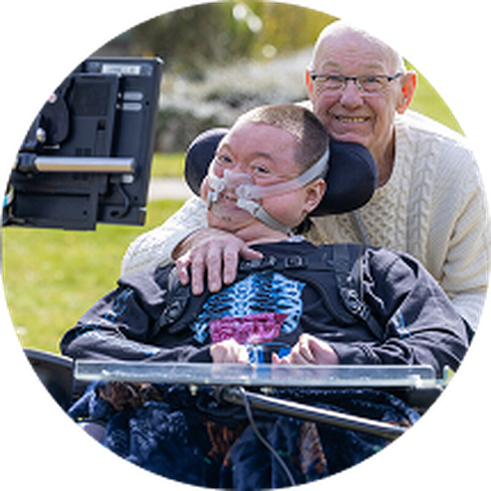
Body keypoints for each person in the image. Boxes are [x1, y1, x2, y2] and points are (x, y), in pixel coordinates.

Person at [61, 105, 468, 487]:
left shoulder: (371, 272)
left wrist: (344, 362)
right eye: (224, 160)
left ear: (311, 195)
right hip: (179, 435)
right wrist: (193, 365)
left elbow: (441, 341)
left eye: (260, 169)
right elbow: (86, 340)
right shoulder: (169, 280)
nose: (233, 180)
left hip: (334, 432)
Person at [121, 19, 490, 335]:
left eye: (371, 81)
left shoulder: (455, 167)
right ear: (311, 86)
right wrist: (196, 240)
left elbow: (475, 294)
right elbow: (137, 263)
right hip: (284, 351)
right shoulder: (274, 141)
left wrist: (406, 355)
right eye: (332, 79)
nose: (350, 98)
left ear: (405, 92)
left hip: (409, 352)